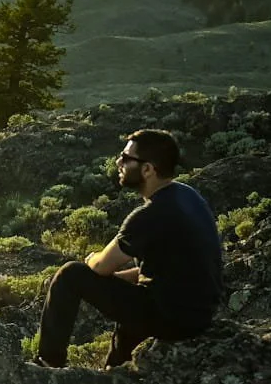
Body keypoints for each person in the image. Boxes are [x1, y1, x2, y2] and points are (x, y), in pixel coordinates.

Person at [37, 128, 223, 368]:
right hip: (198, 315)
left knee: (70, 275)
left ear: (148, 169)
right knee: (133, 299)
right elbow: (173, 269)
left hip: (171, 318)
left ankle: (47, 364)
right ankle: (116, 369)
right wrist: (119, 280)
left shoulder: (149, 215)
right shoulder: (188, 196)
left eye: (126, 158)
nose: (118, 162)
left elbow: (102, 266)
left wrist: (91, 259)